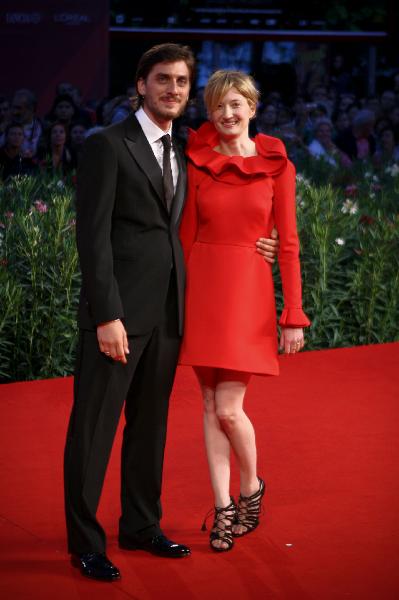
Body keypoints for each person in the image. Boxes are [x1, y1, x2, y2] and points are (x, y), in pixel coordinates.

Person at [63, 43, 281, 582]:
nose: (174, 90)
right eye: (163, 80)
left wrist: (265, 242)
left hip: (168, 315)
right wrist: (106, 314)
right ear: (141, 85)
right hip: (117, 317)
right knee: (94, 431)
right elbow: (92, 240)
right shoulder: (106, 145)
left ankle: (140, 525)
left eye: (182, 82)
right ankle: (86, 542)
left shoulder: (185, 150)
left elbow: (220, 207)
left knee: (150, 428)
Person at [178, 70, 310, 552]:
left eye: (235, 104)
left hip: (248, 290)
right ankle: (224, 508)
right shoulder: (199, 162)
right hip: (203, 290)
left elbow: (289, 245)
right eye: (217, 107)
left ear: (252, 107)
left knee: (231, 409)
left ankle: (251, 488)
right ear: (209, 113)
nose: (227, 114)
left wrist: (292, 314)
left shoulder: (278, 166)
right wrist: (175, 300)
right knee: (210, 406)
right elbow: (185, 236)